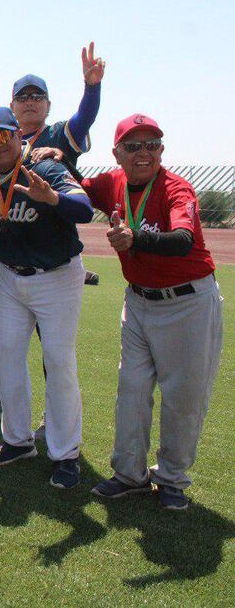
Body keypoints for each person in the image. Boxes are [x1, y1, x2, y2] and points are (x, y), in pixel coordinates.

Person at [84, 114, 222, 510]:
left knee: (183, 397)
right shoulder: (112, 182)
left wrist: (135, 236)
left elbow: (181, 240)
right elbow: (73, 184)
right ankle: (130, 474)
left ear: (162, 150)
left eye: (152, 144)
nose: (144, 153)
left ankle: (173, 478)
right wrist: (60, 151)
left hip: (187, 303)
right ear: (116, 153)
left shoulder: (176, 188)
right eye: (133, 145)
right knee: (132, 390)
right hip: (139, 301)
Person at [0, 43, 106, 425]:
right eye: (23, 97)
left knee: (52, 347)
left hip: (51, 247)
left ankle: (56, 416)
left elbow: (83, 120)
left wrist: (92, 88)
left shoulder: (55, 137)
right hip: (9, 253)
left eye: (38, 96)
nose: (30, 102)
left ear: (48, 105)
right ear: (13, 106)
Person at [0, 107, 93, 491]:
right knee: (6, 357)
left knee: (58, 362)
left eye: (4, 135)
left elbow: (86, 210)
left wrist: (54, 198)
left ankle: (65, 454)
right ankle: (18, 440)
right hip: (10, 275)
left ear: (18, 135)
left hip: (56, 276)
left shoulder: (46, 169)